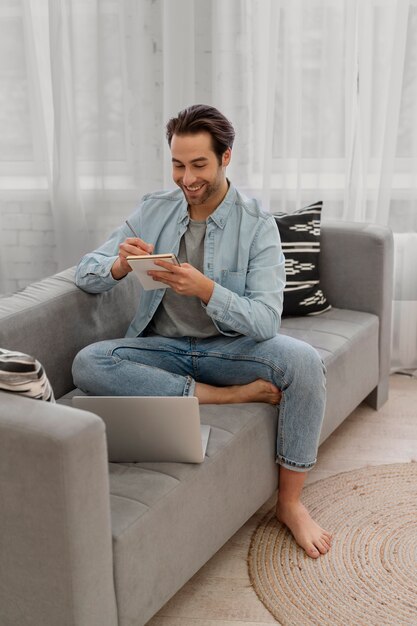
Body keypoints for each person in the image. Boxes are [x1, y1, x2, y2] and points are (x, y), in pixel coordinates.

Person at [72, 104, 331, 559]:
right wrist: (117, 264)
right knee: (89, 361)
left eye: (198, 165)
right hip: (161, 349)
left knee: (305, 362)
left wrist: (208, 289)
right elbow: (85, 272)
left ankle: (290, 503)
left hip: (229, 352)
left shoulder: (257, 225)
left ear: (225, 158)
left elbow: (267, 321)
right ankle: (223, 396)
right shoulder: (154, 209)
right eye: (177, 164)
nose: (186, 178)